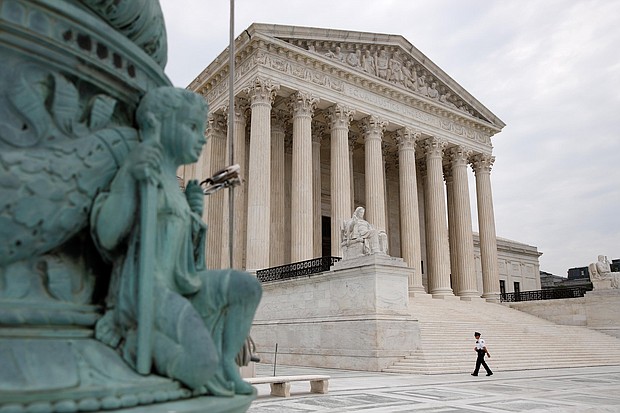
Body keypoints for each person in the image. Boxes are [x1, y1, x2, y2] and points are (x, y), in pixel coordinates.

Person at [91, 87, 262, 396]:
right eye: (193, 127)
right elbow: (107, 233)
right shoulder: (142, 167)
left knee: (248, 287)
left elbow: (190, 263)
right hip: (150, 292)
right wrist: (131, 173)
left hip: (182, 285)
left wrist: (194, 213)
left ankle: (226, 362)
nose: (202, 137)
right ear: (161, 123)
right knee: (198, 366)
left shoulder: (174, 184)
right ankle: (131, 341)